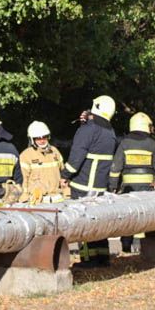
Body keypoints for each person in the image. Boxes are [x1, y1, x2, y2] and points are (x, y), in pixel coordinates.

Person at [63, 95, 118, 266]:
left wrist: (65, 175)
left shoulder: (88, 130)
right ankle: (102, 258)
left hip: (83, 185)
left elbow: (77, 155)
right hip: (100, 186)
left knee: (84, 222)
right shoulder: (110, 132)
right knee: (98, 221)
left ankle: (88, 260)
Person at [109, 112, 155, 252]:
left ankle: (126, 244)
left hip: (128, 187)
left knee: (128, 214)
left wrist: (112, 187)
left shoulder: (124, 143)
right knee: (143, 214)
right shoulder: (151, 144)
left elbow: (115, 168)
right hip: (147, 187)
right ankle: (140, 245)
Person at [19, 120, 66, 203]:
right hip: (37, 200)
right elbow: (24, 179)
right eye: (38, 138)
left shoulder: (55, 151)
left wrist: (66, 192)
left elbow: (63, 174)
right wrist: (25, 196)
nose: (42, 140)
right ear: (32, 139)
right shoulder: (26, 155)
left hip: (57, 198)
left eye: (44, 137)